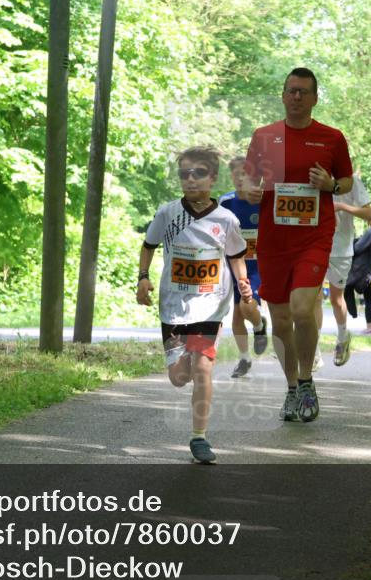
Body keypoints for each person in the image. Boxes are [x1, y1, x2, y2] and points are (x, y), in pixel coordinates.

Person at [244, 67, 354, 423]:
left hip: (313, 237)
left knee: (303, 310)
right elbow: (247, 180)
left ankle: (307, 381)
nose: (296, 97)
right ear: (282, 95)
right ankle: (291, 387)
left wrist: (331, 185)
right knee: (280, 320)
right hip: (274, 240)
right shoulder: (265, 136)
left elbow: (347, 181)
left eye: (304, 92)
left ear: (315, 98)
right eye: (291, 91)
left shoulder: (331, 138)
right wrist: (248, 191)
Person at [136, 146, 253, 464]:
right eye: (184, 173)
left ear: (213, 177)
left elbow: (236, 255)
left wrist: (245, 287)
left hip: (210, 305)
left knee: (203, 368)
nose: (190, 179)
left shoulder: (225, 219)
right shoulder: (168, 212)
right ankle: (182, 361)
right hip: (174, 305)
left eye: (198, 173)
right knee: (179, 377)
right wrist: (143, 278)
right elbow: (148, 246)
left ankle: (199, 437)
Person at [314, 166, 371, 368]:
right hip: (314, 246)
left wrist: (341, 206)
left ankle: (342, 337)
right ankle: (313, 349)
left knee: (336, 299)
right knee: (314, 297)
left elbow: (369, 213)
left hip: (340, 249)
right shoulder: (313, 178)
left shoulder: (352, 182)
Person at [220, 156, 268, 378]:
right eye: (236, 174)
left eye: (245, 174)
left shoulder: (264, 201)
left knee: (247, 308)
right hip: (234, 265)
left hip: (258, 266)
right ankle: (244, 359)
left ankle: (260, 327)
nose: (240, 178)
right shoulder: (225, 202)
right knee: (237, 316)